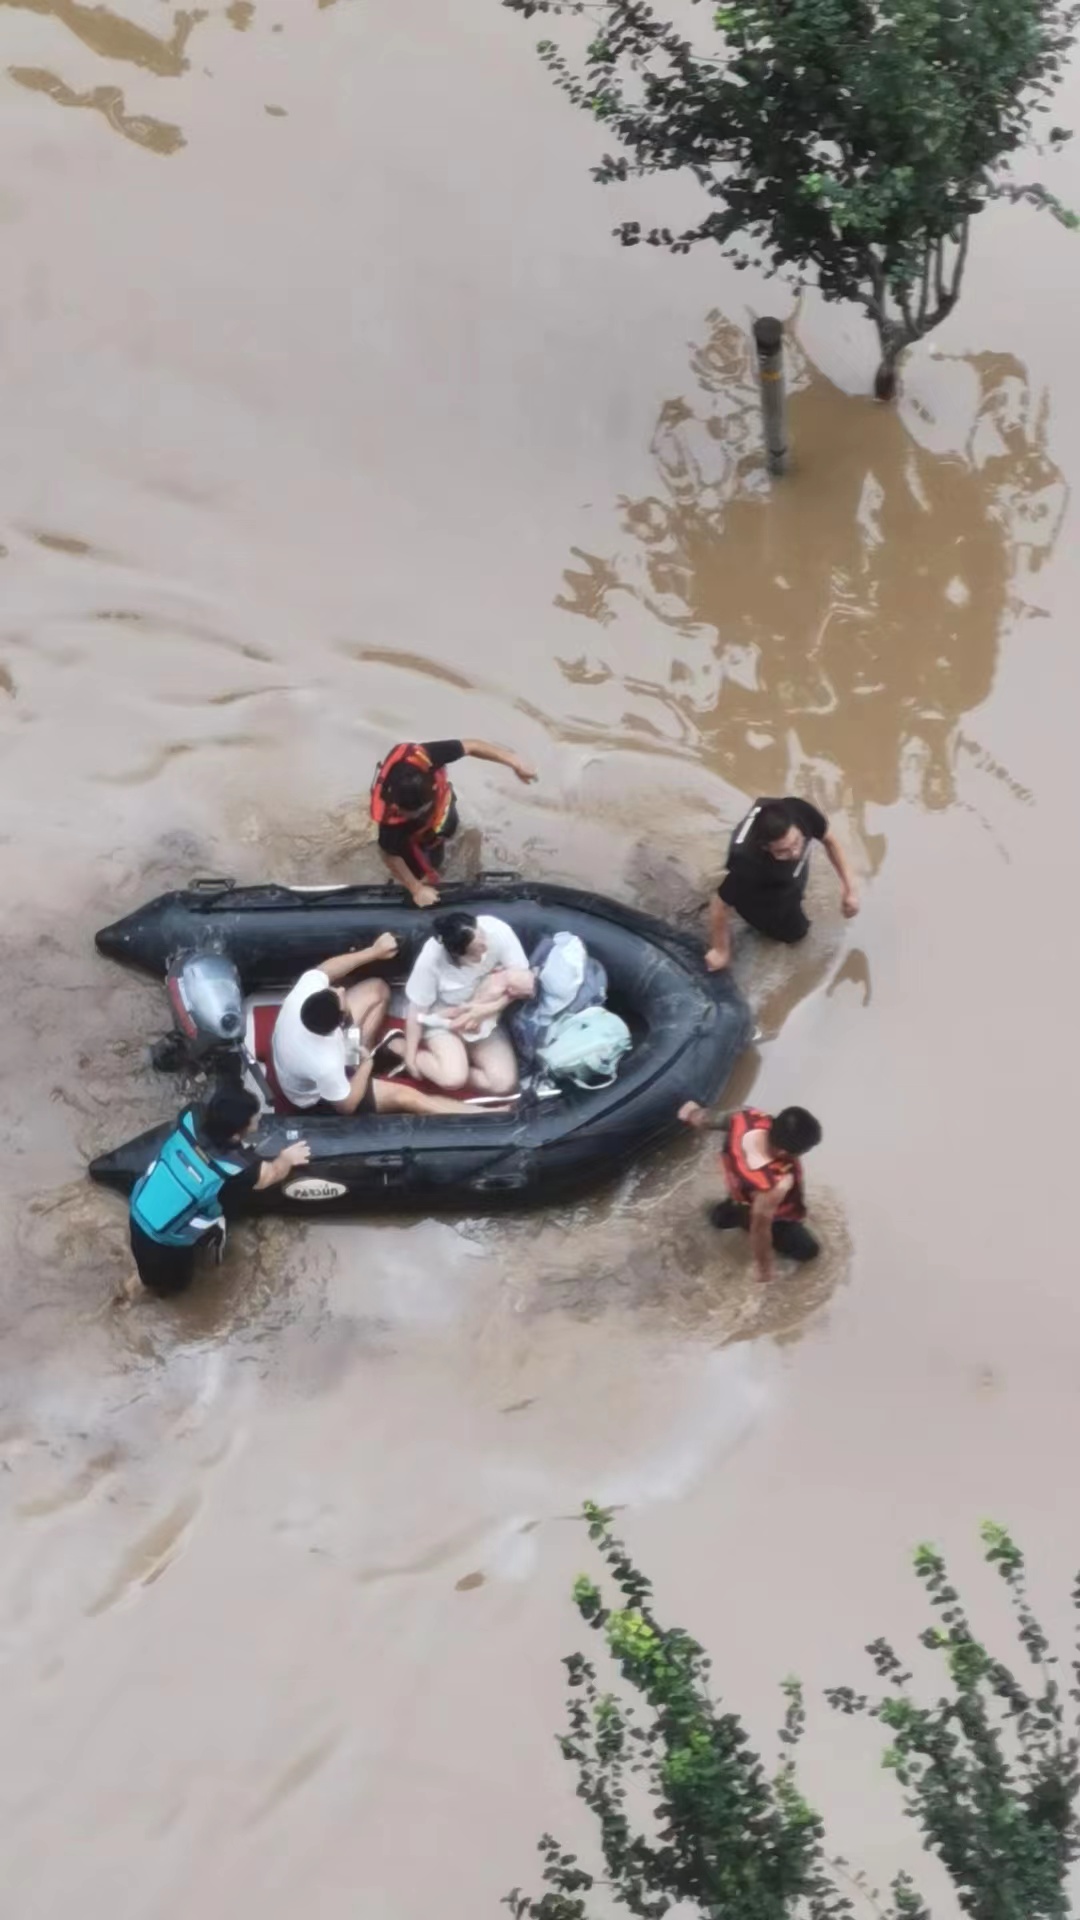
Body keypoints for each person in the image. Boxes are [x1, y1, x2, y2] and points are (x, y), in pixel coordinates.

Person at [127, 1086, 311, 1299]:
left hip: (140, 1209)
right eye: (254, 1118)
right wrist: (286, 1158)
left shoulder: (191, 1115)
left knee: (148, 1271)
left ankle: (138, 1283)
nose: (259, 1119)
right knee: (173, 1289)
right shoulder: (238, 1169)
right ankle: (133, 1293)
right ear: (235, 1135)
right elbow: (272, 1174)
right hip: (161, 1240)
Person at [272, 935, 467, 1116]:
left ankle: (361, 1059)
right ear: (340, 1021)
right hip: (320, 1096)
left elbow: (325, 970)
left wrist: (374, 951)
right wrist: (367, 1065)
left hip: (319, 1051)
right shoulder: (326, 1063)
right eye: (339, 995)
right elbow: (346, 1106)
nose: (340, 988)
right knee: (408, 1097)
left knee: (376, 989)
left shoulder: (305, 993)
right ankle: (480, 1114)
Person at [370, 739, 537, 906]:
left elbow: (472, 746)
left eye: (418, 811)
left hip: (442, 813)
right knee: (429, 876)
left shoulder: (426, 756)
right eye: (407, 812)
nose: (411, 814)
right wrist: (416, 889)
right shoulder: (390, 822)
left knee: (467, 836)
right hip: (416, 837)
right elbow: (389, 855)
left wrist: (514, 762)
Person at [706, 796, 859, 970]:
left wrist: (849, 888)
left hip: (786, 875)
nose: (795, 853)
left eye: (796, 842)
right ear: (766, 848)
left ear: (796, 825)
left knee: (795, 880)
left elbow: (830, 841)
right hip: (765, 895)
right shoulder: (748, 864)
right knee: (797, 935)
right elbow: (719, 903)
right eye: (783, 851)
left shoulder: (801, 811)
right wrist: (720, 950)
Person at [678, 1099, 822, 1283]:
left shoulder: (745, 1118)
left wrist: (691, 1113)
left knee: (717, 1219)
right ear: (785, 1152)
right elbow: (760, 1229)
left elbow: (706, 1119)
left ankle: (717, 1219)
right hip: (773, 1221)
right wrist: (764, 1270)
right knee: (810, 1253)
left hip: (736, 1200)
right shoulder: (774, 1184)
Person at [402, 910, 534, 1094]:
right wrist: (410, 1055)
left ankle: (455, 1063)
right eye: (477, 951)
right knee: (453, 1078)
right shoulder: (431, 960)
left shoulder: (497, 931)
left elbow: (523, 983)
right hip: (444, 1016)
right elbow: (417, 1011)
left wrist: (489, 1009)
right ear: (457, 955)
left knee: (503, 1084)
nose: (485, 949)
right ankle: (399, 1047)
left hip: (485, 1016)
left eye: (484, 940)